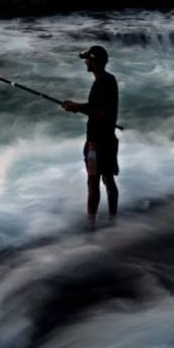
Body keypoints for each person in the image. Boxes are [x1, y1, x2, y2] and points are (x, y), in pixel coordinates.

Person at [62, 45, 119, 229]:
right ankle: (113, 221)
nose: (85, 61)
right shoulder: (110, 80)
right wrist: (79, 108)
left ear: (93, 62)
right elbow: (100, 110)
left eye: (87, 59)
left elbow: (99, 112)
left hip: (96, 142)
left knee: (93, 182)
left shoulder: (100, 84)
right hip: (109, 138)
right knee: (108, 179)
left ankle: (91, 225)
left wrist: (75, 107)